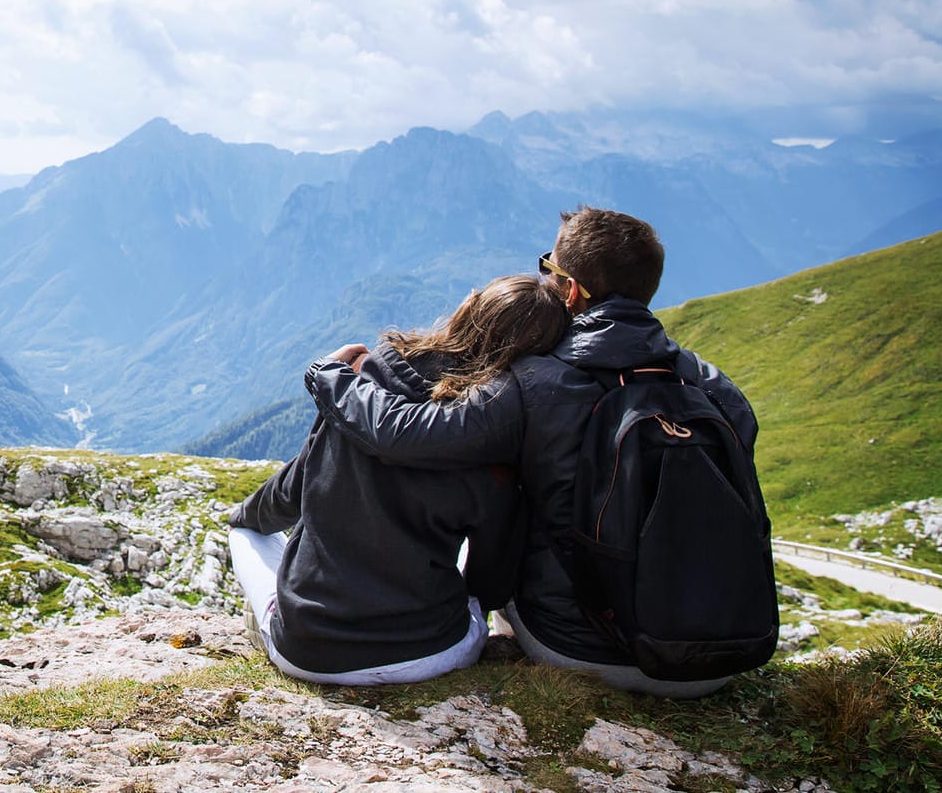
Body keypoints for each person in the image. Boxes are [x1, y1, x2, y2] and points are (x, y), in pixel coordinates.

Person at [307, 207, 759, 697]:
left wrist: (332, 377)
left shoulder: (535, 383)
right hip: (721, 658)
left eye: (550, 268)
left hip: (584, 648)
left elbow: (405, 434)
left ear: (569, 291)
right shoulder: (715, 388)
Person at [227, 275, 569, 685]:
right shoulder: (488, 441)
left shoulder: (356, 397)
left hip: (309, 654)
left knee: (244, 535)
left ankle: (268, 631)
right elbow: (489, 581)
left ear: (470, 312)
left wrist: (244, 517)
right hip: (431, 653)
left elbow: (292, 489)